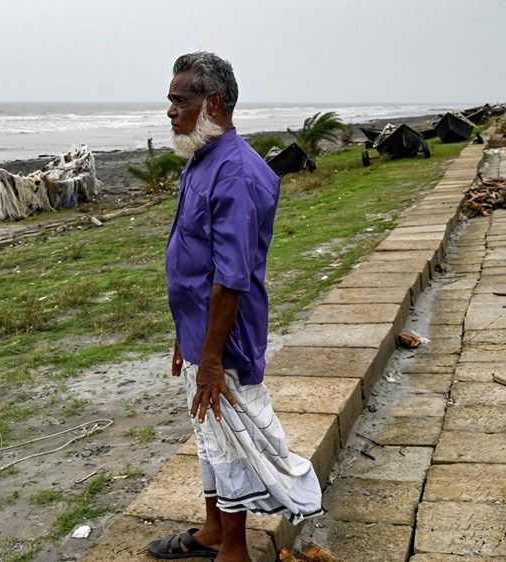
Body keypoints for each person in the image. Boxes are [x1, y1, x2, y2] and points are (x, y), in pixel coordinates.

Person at [146, 52, 322, 561]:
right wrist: (186, 336)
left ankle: (235, 551)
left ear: (213, 102)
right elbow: (196, 260)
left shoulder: (238, 173)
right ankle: (213, 531)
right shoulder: (203, 158)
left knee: (233, 440)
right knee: (210, 434)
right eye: (171, 101)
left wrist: (214, 358)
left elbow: (231, 276)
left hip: (228, 338)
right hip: (201, 332)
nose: (170, 111)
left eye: (180, 100)